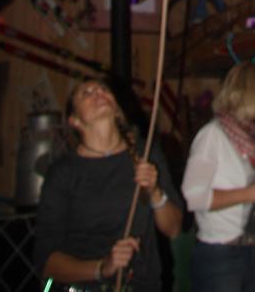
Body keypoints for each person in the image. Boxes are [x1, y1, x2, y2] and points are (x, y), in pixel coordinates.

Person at [34, 78, 183, 290]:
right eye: (87, 93)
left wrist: (155, 192)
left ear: (117, 108)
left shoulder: (145, 153)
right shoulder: (63, 173)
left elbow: (174, 229)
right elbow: (47, 261)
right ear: (75, 120)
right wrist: (102, 268)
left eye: (104, 89)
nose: (99, 93)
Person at [181, 62, 255, 292]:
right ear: (249, 93)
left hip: (248, 249)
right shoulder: (212, 136)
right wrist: (251, 193)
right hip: (219, 256)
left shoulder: (250, 137)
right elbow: (193, 197)